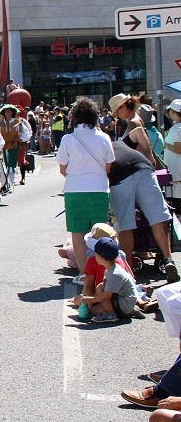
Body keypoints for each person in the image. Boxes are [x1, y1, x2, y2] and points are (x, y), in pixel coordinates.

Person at [107, 140, 179, 283]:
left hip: (119, 176)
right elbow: (138, 131)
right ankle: (168, 259)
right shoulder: (121, 142)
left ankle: (127, 268)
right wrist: (149, 154)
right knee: (158, 218)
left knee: (125, 223)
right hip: (144, 168)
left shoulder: (101, 150)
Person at [56, 98, 114, 273]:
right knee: (99, 232)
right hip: (99, 189)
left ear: (74, 117)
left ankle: (84, 273)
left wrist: (76, 176)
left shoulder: (68, 139)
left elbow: (62, 168)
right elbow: (109, 167)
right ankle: (101, 273)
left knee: (78, 232)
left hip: (75, 189)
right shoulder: (104, 138)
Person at [71, 237, 137, 323]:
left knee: (96, 308)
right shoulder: (110, 269)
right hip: (122, 299)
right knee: (100, 288)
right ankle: (122, 312)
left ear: (101, 257)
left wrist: (90, 300)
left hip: (125, 303)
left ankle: (111, 314)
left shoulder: (114, 273)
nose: (94, 256)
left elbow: (107, 295)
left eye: (96, 254)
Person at [110, 93, 156, 163]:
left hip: (138, 165)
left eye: (116, 112)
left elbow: (135, 149)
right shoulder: (137, 119)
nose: (117, 115)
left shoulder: (133, 123)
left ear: (124, 106)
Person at [165, 99, 181, 202]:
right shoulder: (176, 127)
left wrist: (166, 146)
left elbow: (179, 149)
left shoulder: (177, 129)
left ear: (173, 112)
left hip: (177, 171)